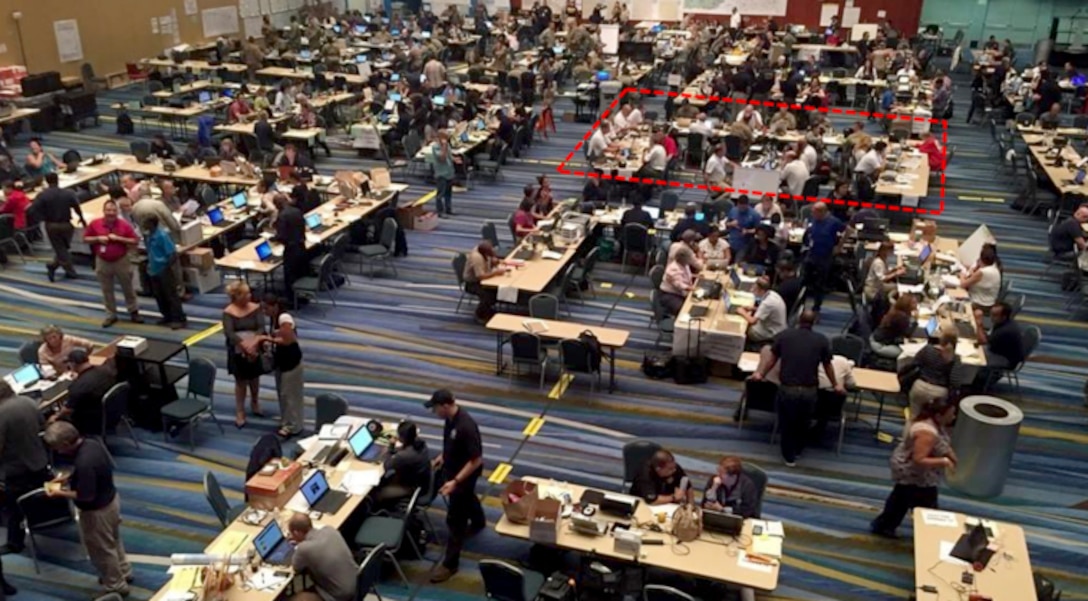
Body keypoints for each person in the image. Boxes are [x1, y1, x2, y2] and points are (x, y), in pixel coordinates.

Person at [43, 421, 133, 596]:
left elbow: (85, 496)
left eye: (58, 448)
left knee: (101, 551)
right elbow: (90, 472)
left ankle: (116, 586)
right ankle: (124, 571)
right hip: (112, 500)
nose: (57, 452)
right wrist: (67, 479)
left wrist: (59, 493)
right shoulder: (91, 444)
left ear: (66, 444)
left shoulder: (84, 462)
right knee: (114, 541)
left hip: (96, 512)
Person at [750, 311, 843, 466]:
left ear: (799, 320)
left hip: (788, 388)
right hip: (809, 390)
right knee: (803, 422)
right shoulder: (822, 340)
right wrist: (835, 384)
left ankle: (789, 456)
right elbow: (828, 366)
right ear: (814, 322)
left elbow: (772, 359)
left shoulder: (784, 336)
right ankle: (798, 450)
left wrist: (761, 374)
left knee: (786, 423)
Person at [870, 399, 957, 538]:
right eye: (951, 414)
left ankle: (884, 526)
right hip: (912, 471)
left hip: (913, 470)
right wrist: (944, 461)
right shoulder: (927, 433)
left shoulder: (933, 423)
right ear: (939, 416)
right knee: (925, 504)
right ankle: (929, 534)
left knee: (901, 498)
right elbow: (919, 459)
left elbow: (941, 444)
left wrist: (952, 456)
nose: (954, 417)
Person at [426, 389, 484, 583]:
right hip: (455, 470)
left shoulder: (466, 426)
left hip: (464, 476)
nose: (434, 412)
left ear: (445, 406)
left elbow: (475, 460)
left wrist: (455, 482)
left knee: (455, 519)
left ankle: (450, 564)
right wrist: (443, 457)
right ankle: (479, 520)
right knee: (468, 498)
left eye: (435, 408)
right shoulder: (450, 420)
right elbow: (452, 445)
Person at [0, 382, 50, 559]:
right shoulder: (28, 402)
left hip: (16, 469)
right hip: (39, 460)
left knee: (13, 508)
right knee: (38, 495)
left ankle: (15, 543)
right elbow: (43, 427)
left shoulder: (2, 414)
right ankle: (44, 521)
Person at [84, 199, 142, 327]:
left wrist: (119, 239)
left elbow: (134, 241)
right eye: (108, 210)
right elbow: (86, 238)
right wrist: (97, 238)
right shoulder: (95, 223)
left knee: (128, 287)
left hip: (121, 260)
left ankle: (133, 311)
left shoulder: (124, 224)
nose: (111, 213)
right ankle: (111, 314)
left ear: (117, 212)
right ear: (103, 211)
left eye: (113, 210)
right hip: (102, 261)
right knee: (106, 290)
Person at [253, 295, 304, 438]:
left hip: (291, 363)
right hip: (281, 362)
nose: (264, 311)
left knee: (290, 396)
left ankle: (294, 426)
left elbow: (288, 340)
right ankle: (286, 422)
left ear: (275, 306)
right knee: (283, 394)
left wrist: (267, 339)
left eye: (266, 308)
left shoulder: (284, 318)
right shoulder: (274, 318)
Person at [222, 281, 265, 429]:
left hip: (255, 346)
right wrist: (244, 345)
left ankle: (255, 401)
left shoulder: (256, 308)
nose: (250, 295)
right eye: (246, 293)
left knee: (254, 377)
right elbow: (229, 333)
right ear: (237, 297)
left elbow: (261, 327)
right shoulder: (228, 312)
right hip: (238, 350)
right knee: (241, 381)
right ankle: (240, 411)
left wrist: (254, 343)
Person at [286, 513, 357, 601]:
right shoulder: (330, 530)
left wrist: (300, 545)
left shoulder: (304, 549)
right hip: (357, 581)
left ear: (297, 532)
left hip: (340, 596)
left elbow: (296, 568)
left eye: (292, 534)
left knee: (294, 598)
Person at [29, 172, 85, 281]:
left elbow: (32, 210)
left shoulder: (43, 195)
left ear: (46, 181)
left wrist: (41, 217)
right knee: (63, 248)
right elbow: (76, 206)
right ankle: (69, 271)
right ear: (58, 180)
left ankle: (54, 267)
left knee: (61, 249)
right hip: (67, 225)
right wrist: (81, 218)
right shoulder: (68, 193)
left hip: (51, 225)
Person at [50, 348, 114, 437]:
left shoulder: (78, 387)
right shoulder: (106, 370)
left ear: (72, 364)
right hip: (112, 412)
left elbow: (67, 410)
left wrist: (55, 416)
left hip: (93, 421)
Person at [373, 420, 431, 510]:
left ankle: (382, 512)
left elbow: (386, 465)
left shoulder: (403, 456)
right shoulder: (421, 443)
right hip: (422, 482)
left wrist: (391, 446)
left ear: (402, 438)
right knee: (383, 481)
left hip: (411, 487)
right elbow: (404, 451)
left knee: (376, 495)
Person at [144, 215, 186, 329]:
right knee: (159, 295)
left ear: (153, 224)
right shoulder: (149, 236)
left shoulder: (162, 235)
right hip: (153, 269)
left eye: (147, 223)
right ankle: (167, 316)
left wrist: (166, 268)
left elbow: (172, 254)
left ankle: (179, 318)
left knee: (171, 295)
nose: (144, 225)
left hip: (163, 269)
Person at [906, 332, 963, 418]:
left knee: (913, 418)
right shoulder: (955, 359)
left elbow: (914, 364)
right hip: (939, 394)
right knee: (932, 422)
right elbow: (955, 382)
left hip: (920, 387)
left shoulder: (927, 349)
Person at [802, 202, 845, 311]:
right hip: (812, 254)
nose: (812, 214)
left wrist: (839, 246)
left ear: (822, 212)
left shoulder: (833, 222)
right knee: (804, 281)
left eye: (814, 212)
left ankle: (816, 308)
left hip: (825, 256)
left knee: (819, 284)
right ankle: (801, 304)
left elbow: (847, 230)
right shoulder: (814, 220)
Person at [973, 300, 1024, 386]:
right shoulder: (1004, 322)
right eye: (991, 314)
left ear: (1003, 317)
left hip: (1006, 360)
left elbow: (983, 341)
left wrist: (978, 323)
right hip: (1000, 351)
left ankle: (973, 382)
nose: (991, 318)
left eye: (994, 315)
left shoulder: (1005, 331)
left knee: (973, 356)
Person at [272, 194, 306, 304]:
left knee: (289, 276)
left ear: (277, 205)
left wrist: (274, 239)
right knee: (299, 272)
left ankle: (292, 301)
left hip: (291, 249)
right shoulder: (297, 210)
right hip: (301, 245)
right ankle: (302, 297)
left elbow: (282, 236)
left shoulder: (282, 216)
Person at [737, 276, 787, 345]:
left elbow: (752, 321)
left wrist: (741, 312)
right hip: (777, 326)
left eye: (755, 289)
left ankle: (745, 345)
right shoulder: (772, 294)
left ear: (761, 290)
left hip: (772, 331)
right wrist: (753, 308)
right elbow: (767, 311)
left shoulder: (767, 303)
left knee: (746, 329)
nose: (752, 290)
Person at [958, 244, 1001, 312]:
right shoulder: (994, 267)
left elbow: (963, 284)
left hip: (981, 304)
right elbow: (977, 278)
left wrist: (962, 274)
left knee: (957, 299)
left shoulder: (982, 272)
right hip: (989, 301)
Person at [870, 295, 916, 359]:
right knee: (907, 354)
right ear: (907, 305)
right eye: (913, 303)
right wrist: (915, 321)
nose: (916, 305)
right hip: (880, 344)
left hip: (877, 338)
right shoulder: (901, 317)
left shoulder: (895, 311)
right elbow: (907, 334)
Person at [660, 245, 697, 316]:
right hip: (670, 295)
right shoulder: (673, 268)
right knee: (683, 310)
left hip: (680, 293)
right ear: (683, 258)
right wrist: (692, 289)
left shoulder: (684, 265)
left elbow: (685, 275)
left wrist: (695, 276)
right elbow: (678, 284)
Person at [432, 131, 457, 218]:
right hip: (441, 174)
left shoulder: (447, 145)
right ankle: (440, 212)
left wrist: (454, 159)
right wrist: (444, 146)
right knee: (440, 194)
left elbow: (449, 155)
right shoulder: (435, 147)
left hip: (449, 172)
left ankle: (448, 209)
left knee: (448, 193)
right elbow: (442, 158)